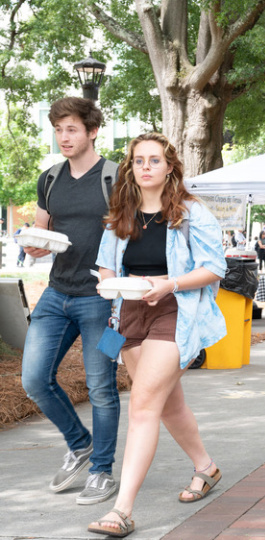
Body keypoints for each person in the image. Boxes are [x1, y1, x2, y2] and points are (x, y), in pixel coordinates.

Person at [88, 132, 227, 537]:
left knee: (143, 406)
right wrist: (109, 285)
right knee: (167, 404)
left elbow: (214, 268)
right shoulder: (121, 214)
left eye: (154, 160)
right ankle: (206, 467)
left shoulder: (191, 213)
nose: (145, 167)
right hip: (128, 313)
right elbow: (107, 267)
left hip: (175, 310)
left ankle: (122, 511)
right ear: (130, 168)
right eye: (138, 161)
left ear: (170, 166)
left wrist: (169, 284)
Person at [20, 97, 121, 505]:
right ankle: (80, 445)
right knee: (33, 380)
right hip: (56, 294)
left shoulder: (116, 178)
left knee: (101, 388)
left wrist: (121, 295)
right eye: (59, 129)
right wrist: (36, 246)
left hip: (101, 299)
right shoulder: (49, 179)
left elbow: (133, 232)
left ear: (92, 131)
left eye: (72, 129)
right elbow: (42, 232)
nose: (64, 136)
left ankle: (102, 470)